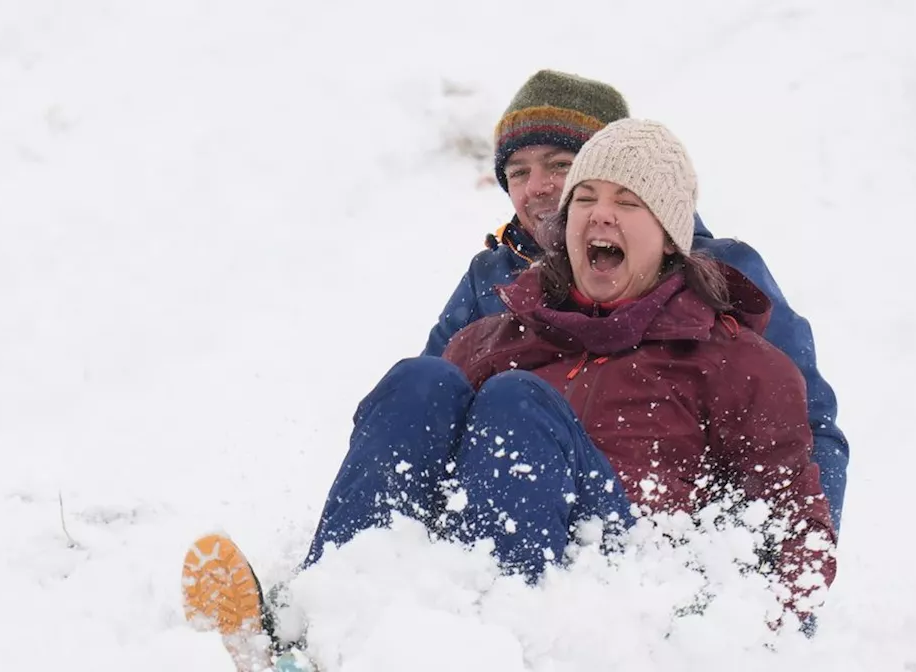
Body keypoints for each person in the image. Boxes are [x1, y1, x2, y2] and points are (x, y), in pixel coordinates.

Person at [182, 119, 836, 672]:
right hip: (470, 561)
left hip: (617, 594)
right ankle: (323, 627)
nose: (600, 212)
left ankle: (492, 649)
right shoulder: (501, 334)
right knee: (422, 381)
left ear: (668, 234)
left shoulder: (733, 360)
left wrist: (747, 637)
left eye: (628, 201)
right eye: (587, 199)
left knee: (518, 404)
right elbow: (406, 435)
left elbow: (795, 529)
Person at [423, 70, 849, 532]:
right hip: (503, 522)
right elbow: (433, 412)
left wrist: (773, 570)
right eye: (518, 172)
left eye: (559, 165)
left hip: (646, 533)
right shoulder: (492, 279)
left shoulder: (718, 274)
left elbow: (801, 431)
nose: (536, 186)